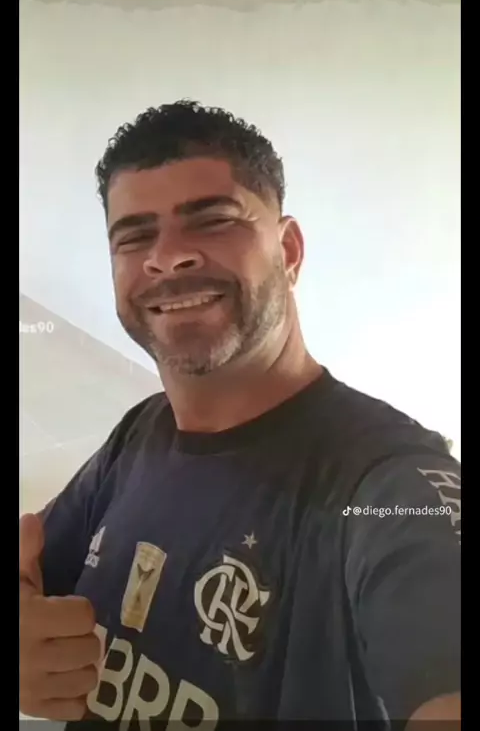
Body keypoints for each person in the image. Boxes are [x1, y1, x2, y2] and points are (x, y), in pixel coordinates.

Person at [19, 101, 461, 728]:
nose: (168, 257)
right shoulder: (140, 434)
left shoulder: (390, 487)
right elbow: (30, 563)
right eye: (134, 236)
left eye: (213, 221)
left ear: (289, 249)